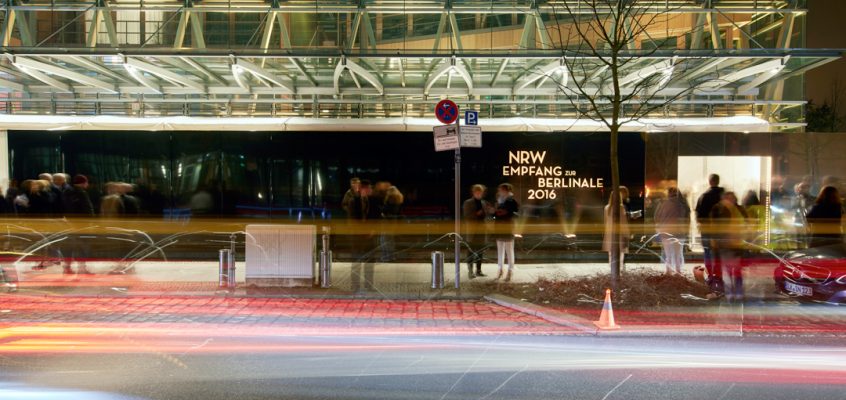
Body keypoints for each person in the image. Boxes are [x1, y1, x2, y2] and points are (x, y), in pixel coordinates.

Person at [710, 192, 749, 302]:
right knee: (730, 270)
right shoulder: (721, 209)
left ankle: (735, 292)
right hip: (728, 245)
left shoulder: (726, 209)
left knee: (734, 270)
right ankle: (733, 292)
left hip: (734, 245)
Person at [695, 174, 724, 293]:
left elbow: (699, 215)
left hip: (707, 230)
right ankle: (719, 277)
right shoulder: (724, 196)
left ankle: (711, 276)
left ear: (710, 181)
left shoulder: (704, 196)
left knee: (708, 252)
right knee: (719, 254)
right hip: (721, 231)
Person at [61, 175, 95, 275]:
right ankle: (82, 268)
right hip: (82, 224)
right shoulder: (82, 193)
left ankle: (67, 267)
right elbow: (88, 209)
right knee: (82, 246)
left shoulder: (66, 192)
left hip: (68, 223)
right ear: (84, 183)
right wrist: (91, 221)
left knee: (69, 246)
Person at [654, 187, 690, 275]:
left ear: (668, 193)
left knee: (668, 254)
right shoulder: (683, 204)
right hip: (680, 232)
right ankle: (678, 271)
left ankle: (668, 271)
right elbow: (687, 219)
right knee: (678, 253)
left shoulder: (663, 204)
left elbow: (656, 218)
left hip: (666, 232)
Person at [462, 184, 492, 279]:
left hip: (482, 231)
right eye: (477, 192)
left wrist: (489, 212)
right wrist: (476, 214)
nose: (479, 194)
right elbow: (466, 216)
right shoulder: (468, 202)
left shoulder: (484, 203)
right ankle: (470, 271)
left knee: (480, 252)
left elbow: (487, 216)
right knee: (470, 252)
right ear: (474, 192)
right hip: (472, 231)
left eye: (480, 192)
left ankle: (478, 270)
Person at [493, 183, 519, 282]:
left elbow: (514, 213)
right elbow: (496, 214)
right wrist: (494, 212)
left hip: (508, 228)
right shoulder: (499, 201)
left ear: (506, 191)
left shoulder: (511, 201)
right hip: (499, 228)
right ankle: (500, 270)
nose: (499, 191)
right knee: (500, 250)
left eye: (501, 190)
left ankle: (510, 271)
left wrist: (503, 212)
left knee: (509, 250)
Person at [603, 187, 631, 272]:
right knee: (620, 253)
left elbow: (605, 222)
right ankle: (619, 269)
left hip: (609, 234)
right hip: (619, 234)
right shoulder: (621, 207)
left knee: (611, 253)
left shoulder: (607, 208)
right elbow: (623, 223)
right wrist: (627, 234)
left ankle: (612, 269)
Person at [380, 186, 403, 262]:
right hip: (394, 222)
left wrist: (382, 212)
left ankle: (386, 257)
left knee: (384, 240)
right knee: (391, 240)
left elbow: (386, 210)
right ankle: (392, 256)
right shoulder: (399, 199)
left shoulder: (390, 199)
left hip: (387, 222)